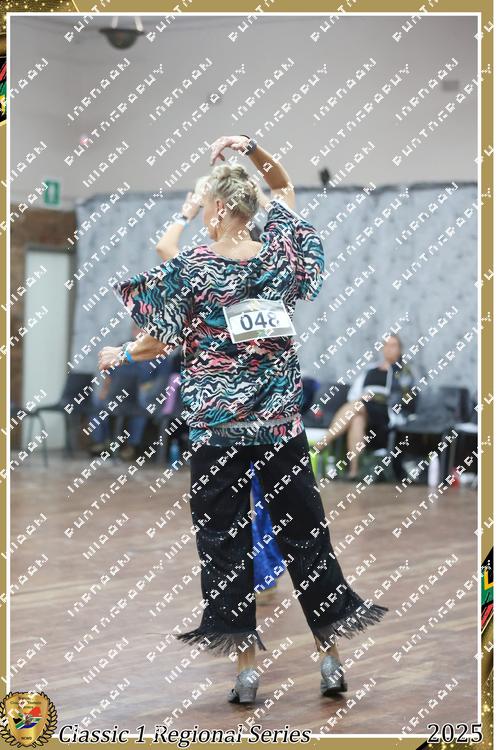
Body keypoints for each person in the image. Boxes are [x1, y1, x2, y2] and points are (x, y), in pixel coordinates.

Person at [98, 134, 389, 704]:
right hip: (279, 427)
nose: (205, 215)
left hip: (217, 430)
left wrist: (121, 353)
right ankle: (330, 659)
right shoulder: (279, 254)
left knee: (224, 544)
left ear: (219, 207)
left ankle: (248, 670)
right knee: (306, 536)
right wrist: (250, 148)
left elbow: (159, 339)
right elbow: (284, 185)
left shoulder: (194, 267)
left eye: (207, 207)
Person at [317, 335, 415, 480]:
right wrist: (363, 398)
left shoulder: (403, 371)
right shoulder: (371, 369)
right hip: (364, 408)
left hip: (386, 412)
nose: (389, 349)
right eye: (386, 345)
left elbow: (405, 397)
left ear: (400, 349)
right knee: (357, 419)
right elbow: (354, 394)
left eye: (394, 345)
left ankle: (323, 442)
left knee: (357, 407)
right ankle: (354, 472)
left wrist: (376, 397)